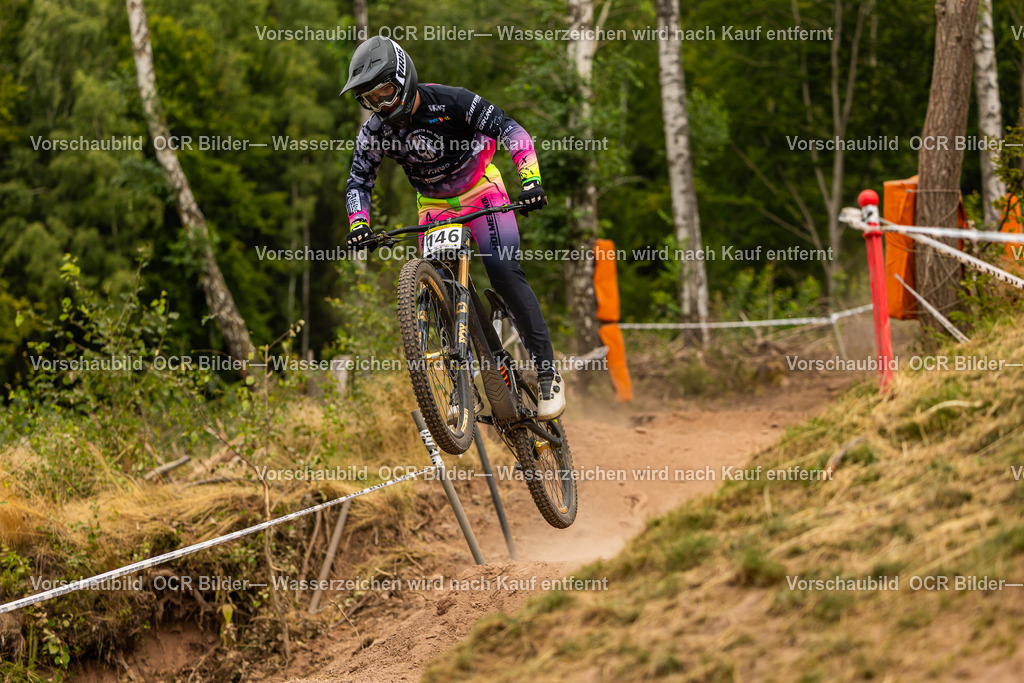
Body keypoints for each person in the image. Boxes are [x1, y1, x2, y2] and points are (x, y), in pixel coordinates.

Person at [341, 36, 565, 420]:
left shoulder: (452, 101)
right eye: (369, 99)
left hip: (482, 191)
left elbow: (511, 129)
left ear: (404, 78)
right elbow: (359, 181)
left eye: (385, 93)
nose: (380, 105)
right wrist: (359, 223)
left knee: (504, 272)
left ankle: (547, 373)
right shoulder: (374, 133)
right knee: (440, 287)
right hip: (433, 205)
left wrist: (530, 180)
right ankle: (461, 384)